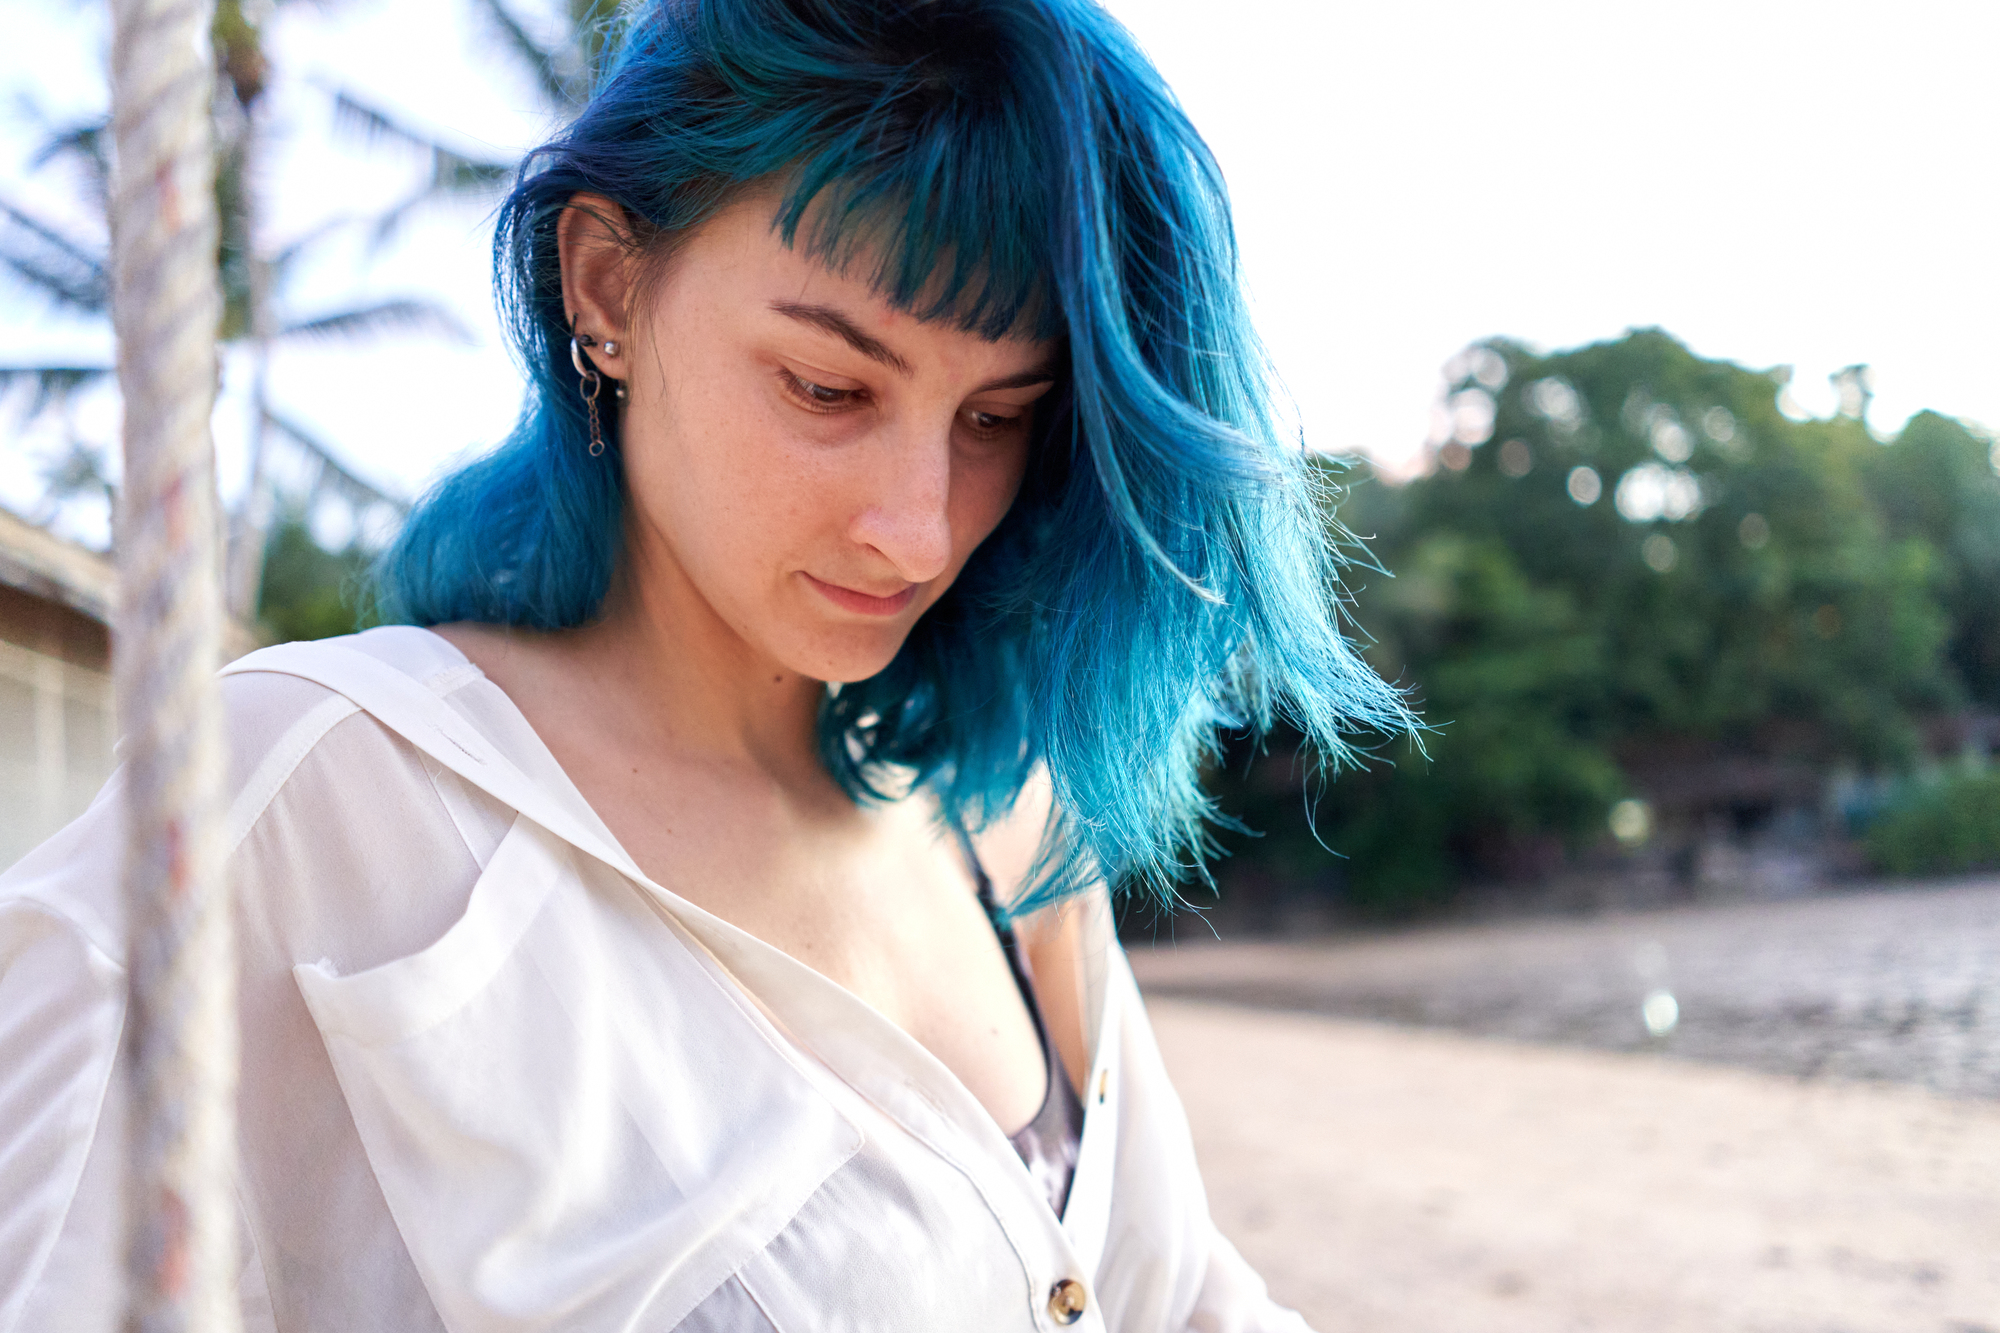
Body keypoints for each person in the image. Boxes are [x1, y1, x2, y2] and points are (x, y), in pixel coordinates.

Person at [0, 0, 1414, 1328]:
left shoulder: (1008, 816)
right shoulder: (308, 799)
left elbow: (1172, 1295)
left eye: (997, 416)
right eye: (828, 386)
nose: (920, 523)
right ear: (608, 284)